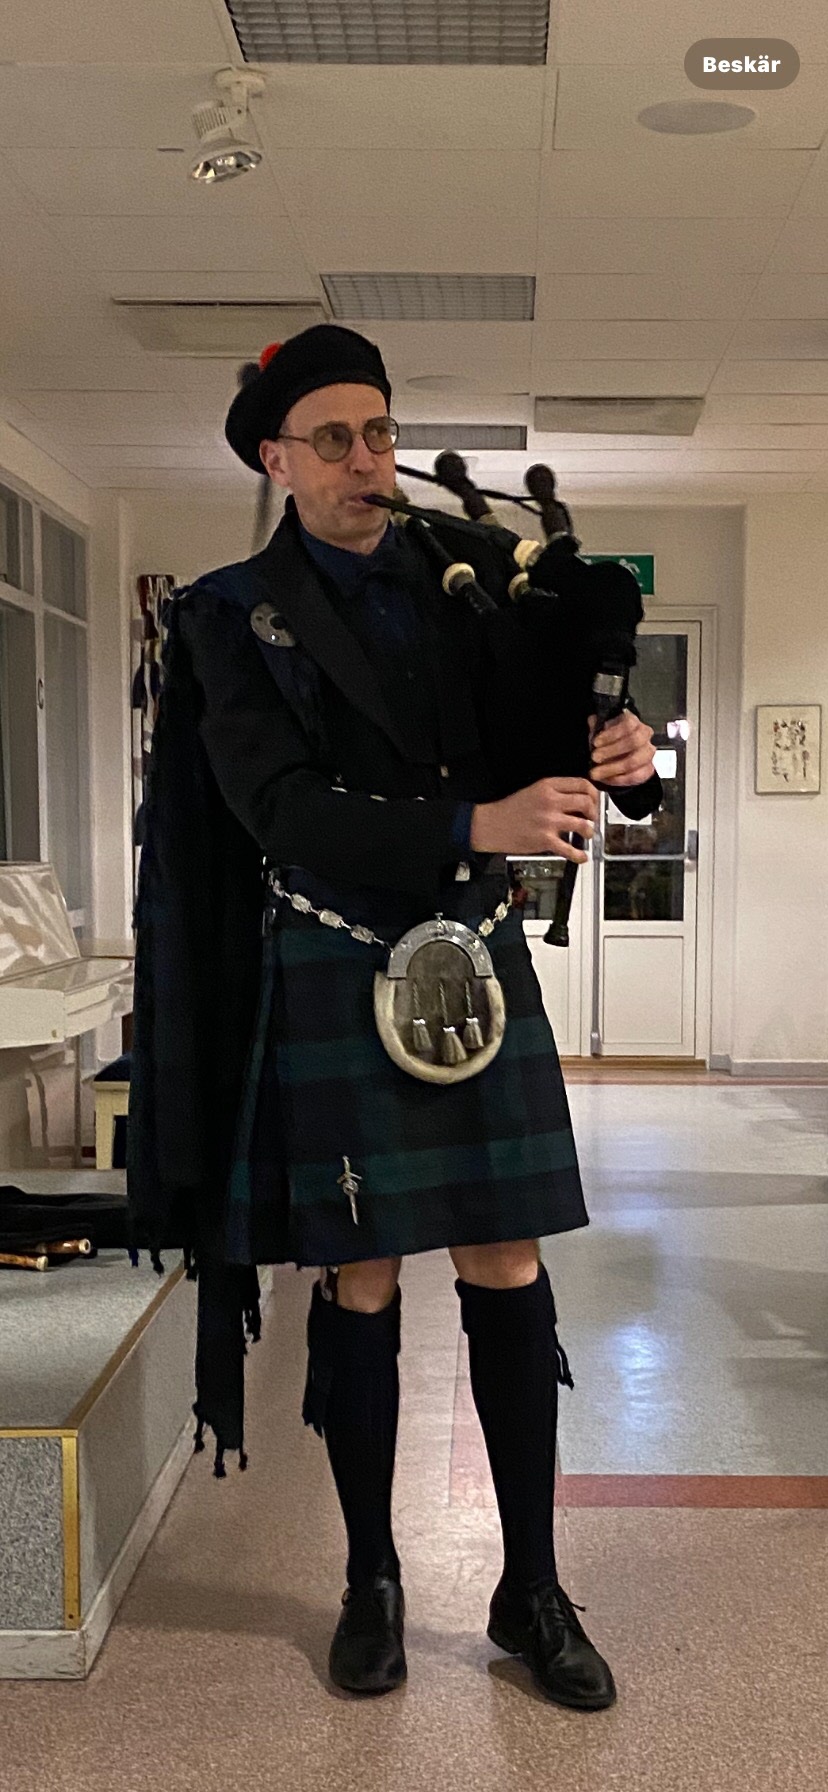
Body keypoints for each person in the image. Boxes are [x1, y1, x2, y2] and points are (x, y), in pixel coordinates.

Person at [128, 323, 660, 1712]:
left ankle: (531, 1587)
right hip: (334, 958)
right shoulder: (228, 616)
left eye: (380, 431)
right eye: (336, 439)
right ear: (276, 458)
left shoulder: (471, 577)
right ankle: (371, 1577)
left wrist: (626, 754)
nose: (370, 460)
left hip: (475, 951)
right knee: (358, 1275)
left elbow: (554, 720)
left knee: (506, 1261)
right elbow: (276, 806)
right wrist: (475, 821)